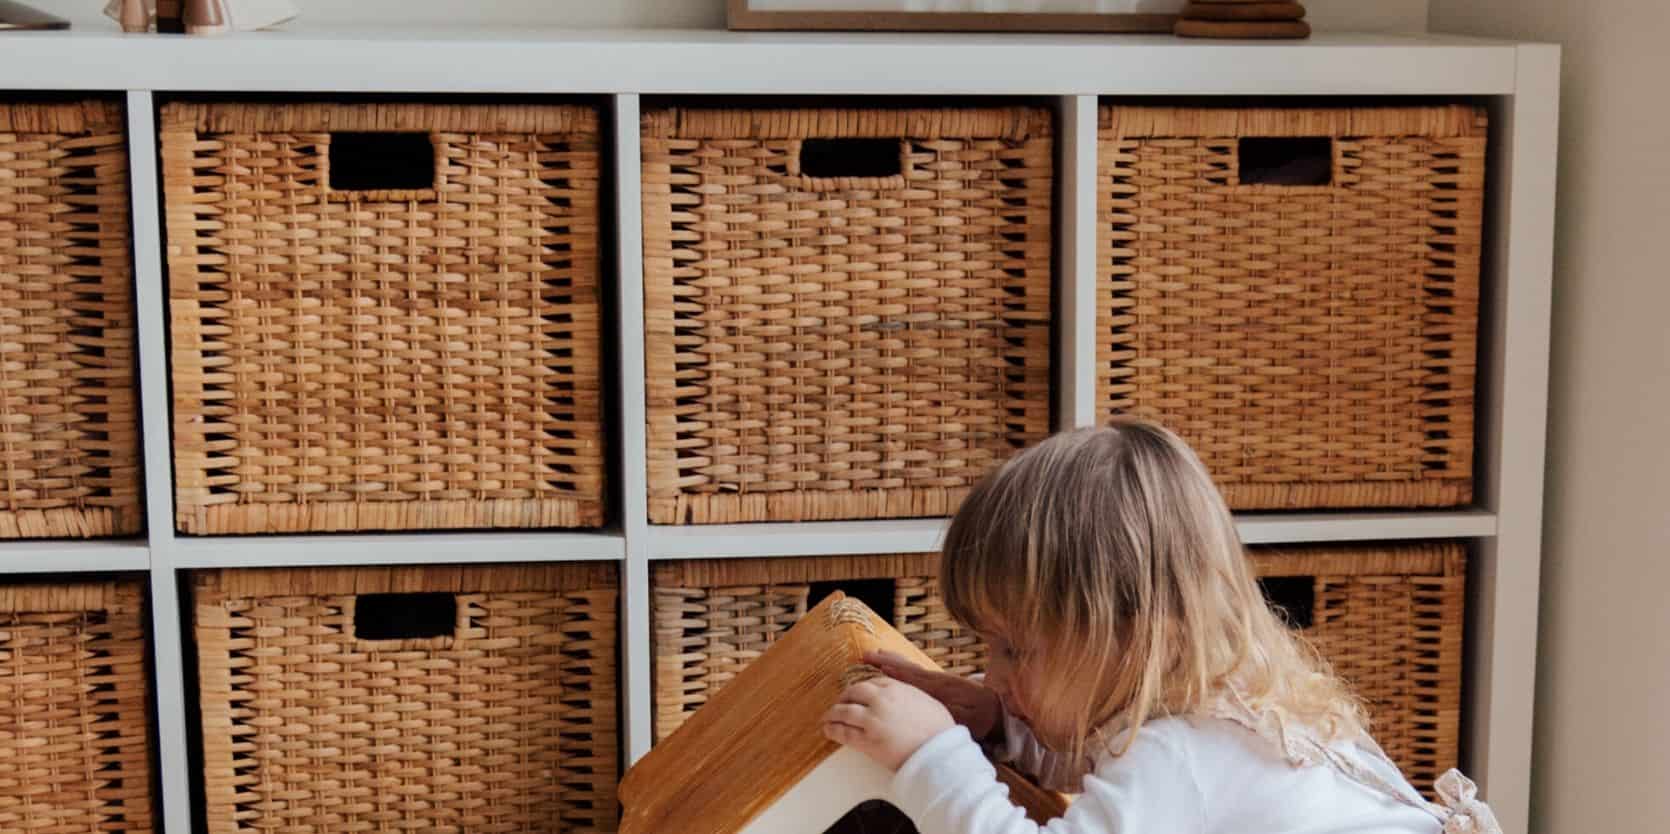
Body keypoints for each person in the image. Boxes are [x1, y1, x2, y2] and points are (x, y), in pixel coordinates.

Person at [822, 419, 1500, 834]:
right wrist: (1004, 732)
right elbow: (1116, 767)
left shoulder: (1182, 755)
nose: (994, 675)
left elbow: (1149, 777)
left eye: (1016, 648)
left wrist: (932, 759)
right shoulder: (1226, 711)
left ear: (1139, 633)